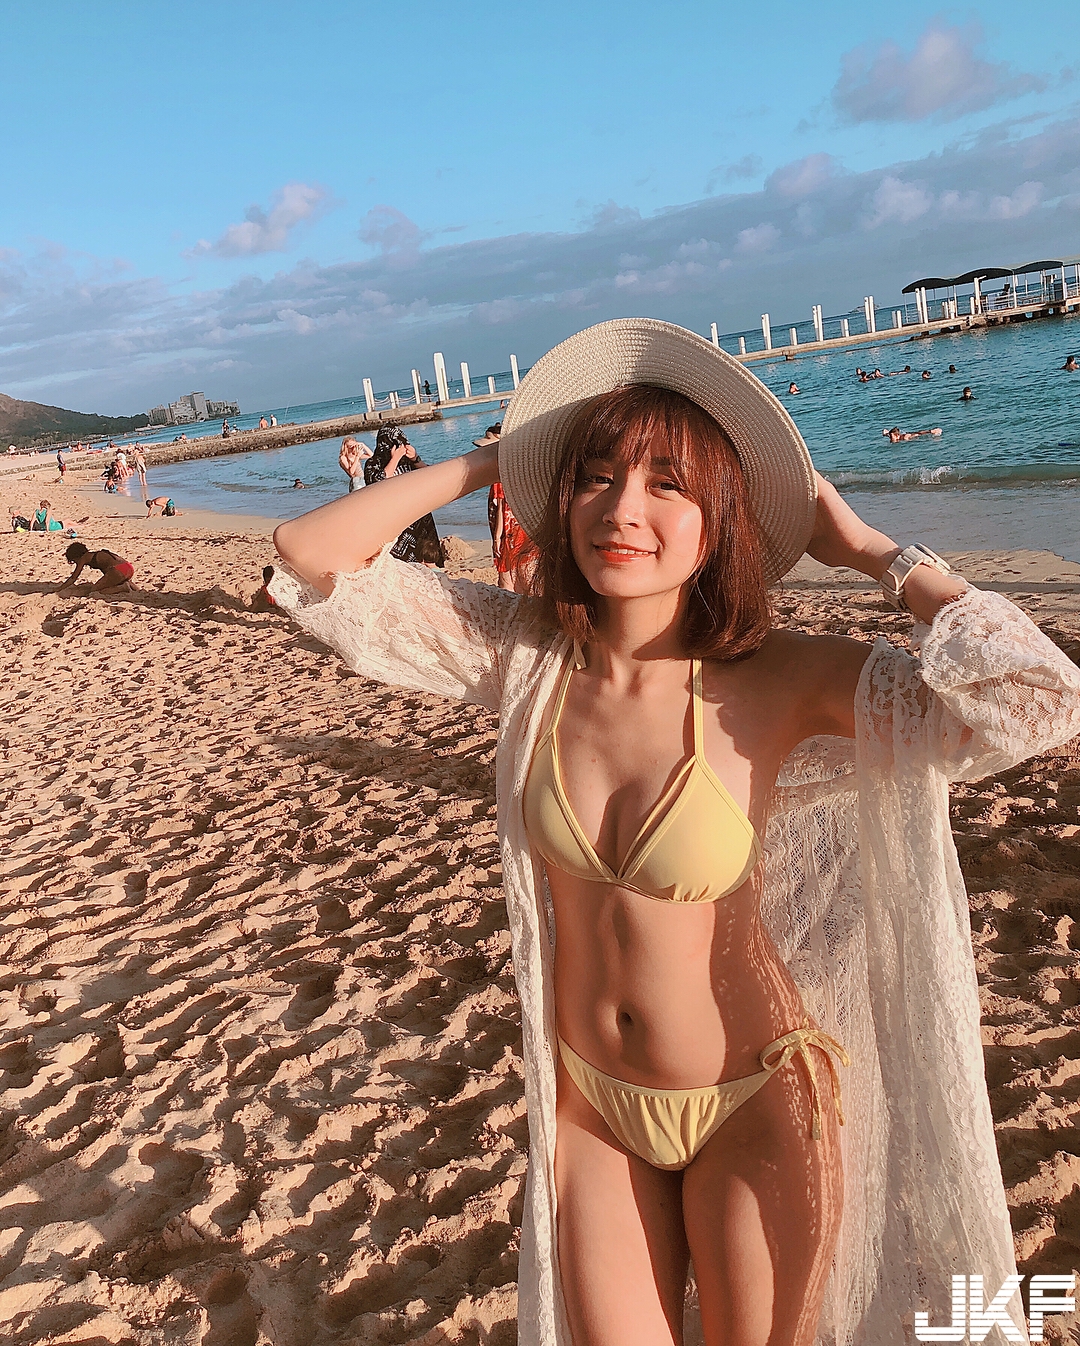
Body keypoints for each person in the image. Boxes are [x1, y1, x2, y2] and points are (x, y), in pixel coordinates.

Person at [267, 318, 1079, 1346]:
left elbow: (1037, 699)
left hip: (753, 1102)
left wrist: (874, 550)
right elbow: (310, 556)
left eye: (667, 484)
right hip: (592, 1106)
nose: (622, 509)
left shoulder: (778, 677)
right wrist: (504, 459)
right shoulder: (523, 655)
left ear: (720, 517)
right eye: (595, 478)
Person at [362, 424, 445, 564]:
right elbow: (377, 482)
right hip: (395, 520)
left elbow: (431, 476)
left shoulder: (408, 461)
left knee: (428, 557)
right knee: (403, 561)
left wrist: (415, 458)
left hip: (419, 516)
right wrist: (394, 459)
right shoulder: (373, 463)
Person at [59, 542, 135, 594]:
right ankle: (131, 587)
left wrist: (60, 588)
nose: (76, 563)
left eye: (74, 561)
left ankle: (123, 588)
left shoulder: (83, 558)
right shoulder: (93, 555)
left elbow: (73, 577)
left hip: (119, 570)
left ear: (76, 556)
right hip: (128, 567)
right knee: (111, 582)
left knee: (95, 590)